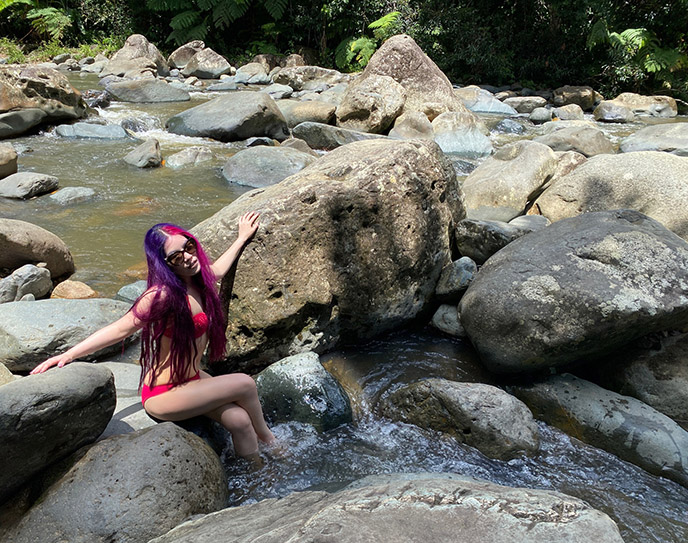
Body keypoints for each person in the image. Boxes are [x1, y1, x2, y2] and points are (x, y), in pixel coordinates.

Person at [31, 212, 275, 463]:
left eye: (189, 246)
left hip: (192, 378)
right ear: (165, 264)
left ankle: (257, 476)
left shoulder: (196, 280)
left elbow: (219, 270)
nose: (188, 258)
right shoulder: (162, 296)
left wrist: (242, 237)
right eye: (177, 257)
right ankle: (271, 441)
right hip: (164, 393)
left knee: (240, 420)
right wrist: (68, 354)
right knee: (245, 384)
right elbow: (120, 329)